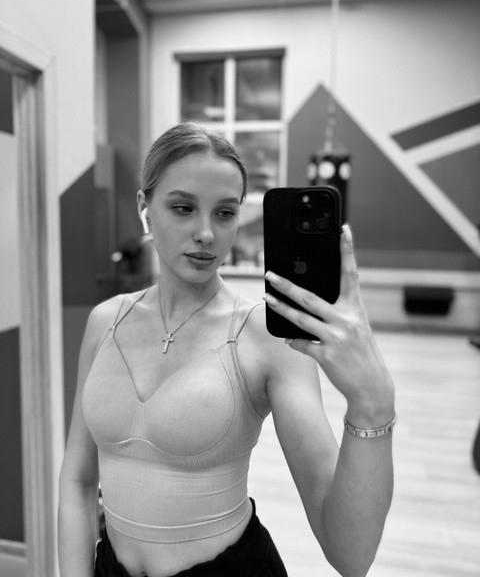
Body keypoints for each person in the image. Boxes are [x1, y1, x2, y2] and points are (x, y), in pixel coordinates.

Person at [58, 122, 396, 577]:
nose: (206, 233)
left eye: (225, 213)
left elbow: (351, 554)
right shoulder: (105, 322)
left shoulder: (265, 337)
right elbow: (78, 480)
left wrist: (373, 403)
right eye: (183, 208)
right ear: (144, 208)